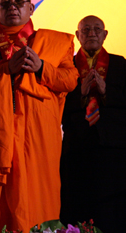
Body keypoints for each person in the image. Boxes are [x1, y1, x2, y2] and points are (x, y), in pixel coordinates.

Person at [0, 0, 79, 233]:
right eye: (6, 3)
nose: (12, 7)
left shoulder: (55, 41)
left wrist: (41, 68)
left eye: (19, 2)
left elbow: (69, 79)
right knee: (0, 202)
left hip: (38, 136)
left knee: (38, 194)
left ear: (31, 7)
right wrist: (6, 71)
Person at [60, 16, 126, 232]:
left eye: (97, 29)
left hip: (112, 147)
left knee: (111, 211)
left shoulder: (119, 63)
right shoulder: (66, 65)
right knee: (77, 207)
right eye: (85, 29)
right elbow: (56, 107)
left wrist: (106, 91)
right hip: (76, 147)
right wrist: (81, 93)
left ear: (105, 34)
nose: (91, 33)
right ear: (77, 35)